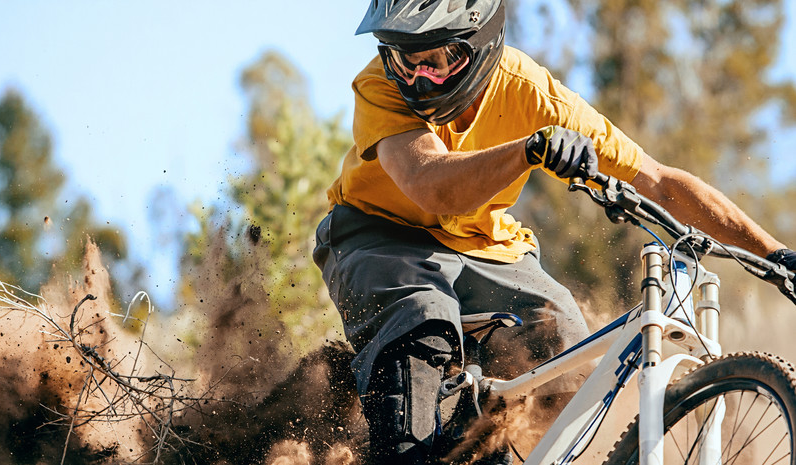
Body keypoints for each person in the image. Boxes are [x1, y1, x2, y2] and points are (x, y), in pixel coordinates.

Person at [312, 0, 796, 463]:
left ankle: (499, 444)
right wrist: (528, 149)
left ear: (480, 43)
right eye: (404, 60)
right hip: (376, 238)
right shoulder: (379, 86)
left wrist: (776, 257)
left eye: (438, 60)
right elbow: (432, 186)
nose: (418, 77)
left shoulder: (532, 93)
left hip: (487, 247)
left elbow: (660, 182)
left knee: (564, 331)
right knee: (424, 313)